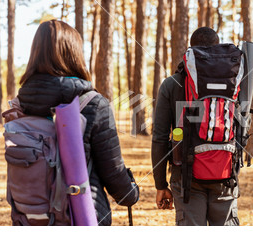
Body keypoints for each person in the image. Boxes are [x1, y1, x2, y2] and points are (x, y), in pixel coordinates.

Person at [14, 20, 139, 225]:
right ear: (74, 54)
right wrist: (132, 193)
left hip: (29, 218)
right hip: (80, 216)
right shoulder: (92, 103)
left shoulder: (20, 105)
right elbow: (114, 175)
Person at [151, 27, 239, 226]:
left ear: (191, 50)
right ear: (217, 49)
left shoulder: (172, 84)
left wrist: (160, 184)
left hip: (186, 178)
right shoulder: (232, 82)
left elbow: (159, 137)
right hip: (224, 173)